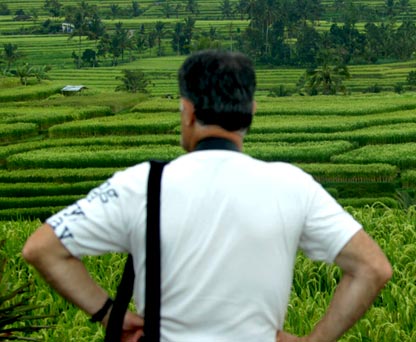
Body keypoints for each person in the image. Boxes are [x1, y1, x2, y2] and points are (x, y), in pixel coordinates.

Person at [22, 50, 392, 341]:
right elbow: (372, 268)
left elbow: (42, 248)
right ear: (251, 112)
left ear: (188, 111)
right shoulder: (291, 184)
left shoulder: (141, 184)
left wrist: (109, 314)